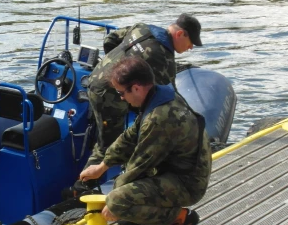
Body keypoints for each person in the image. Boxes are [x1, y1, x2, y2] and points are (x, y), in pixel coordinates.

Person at [79, 56, 211, 225]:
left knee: (117, 200)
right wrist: (102, 166)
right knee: (122, 194)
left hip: (188, 182)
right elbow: (130, 136)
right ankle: (138, 212)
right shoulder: (161, 95)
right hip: (177, 171)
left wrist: (116, 204)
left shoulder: (160, 118)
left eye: (121, 93)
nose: (121, 98)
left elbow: (139, 166)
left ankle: (180, 218)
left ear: (137, 88)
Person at [83, 13, 202, 170]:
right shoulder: (163, 59)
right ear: (180, 34)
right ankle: (82, 186)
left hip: (95, 77)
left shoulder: (142, 28)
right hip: (109, 95)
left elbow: (110, 39)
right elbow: (170, 96)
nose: (191, 47)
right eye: (191, 42)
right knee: (107, 147)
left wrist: (115, 67)